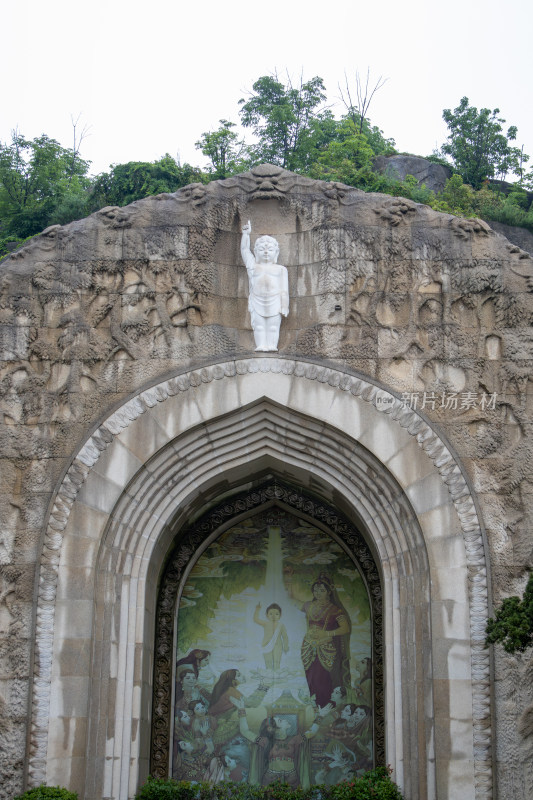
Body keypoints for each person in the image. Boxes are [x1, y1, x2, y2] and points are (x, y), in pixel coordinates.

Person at [291, 573, 351, 708]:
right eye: (316, 590)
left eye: (322, 590)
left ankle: (327, 708)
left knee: (322, 678)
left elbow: (345, 628)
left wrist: (327, 633)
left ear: (329, 592)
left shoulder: (335, 610)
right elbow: (293, 602)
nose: (318, 593)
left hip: (326, 648)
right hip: (308, 648)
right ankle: (316, 709)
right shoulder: (308, 606)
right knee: (311, 678)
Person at [241, 220, 289, 351]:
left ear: (276, 252)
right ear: (256, 252)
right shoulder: (253, 266)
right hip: (257, 300)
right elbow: (245, 251)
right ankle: (261, 345)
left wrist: (285, 305)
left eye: (270, 249)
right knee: (259, 326)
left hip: (275, 301)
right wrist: (246, 235)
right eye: (262, 249)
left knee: (273, 326)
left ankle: (272, 345)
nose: (266, 252)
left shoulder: (281, 269)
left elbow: (284, 290)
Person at [253, 602, 289, 670]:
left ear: (280, 615)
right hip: (266, 646)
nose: (273, 616)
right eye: (271, 614)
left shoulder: (281, 625)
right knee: (268, 664)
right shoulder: (265, 623)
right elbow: (256, 620)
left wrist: (286, 646)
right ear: (267, 615)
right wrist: (257, 610)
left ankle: (277, 677)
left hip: (278, 646)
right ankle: (268, 677)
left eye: (276, 614)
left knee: (276, 664)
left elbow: (285, 636)